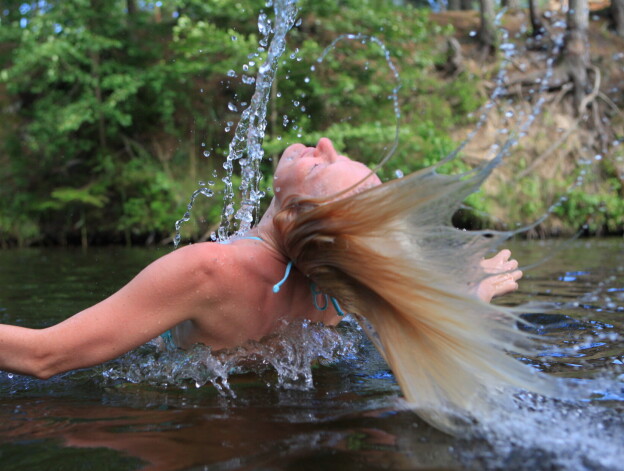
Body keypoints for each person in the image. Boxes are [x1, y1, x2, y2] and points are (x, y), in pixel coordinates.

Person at [0, 137, 536, 431]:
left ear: (298, 213)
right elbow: (425, 386)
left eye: (326, 166)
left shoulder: (207, 270)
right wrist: (463, 308)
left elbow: (45, 358)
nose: (323, 144)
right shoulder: (337, 290)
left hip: (180, 423)